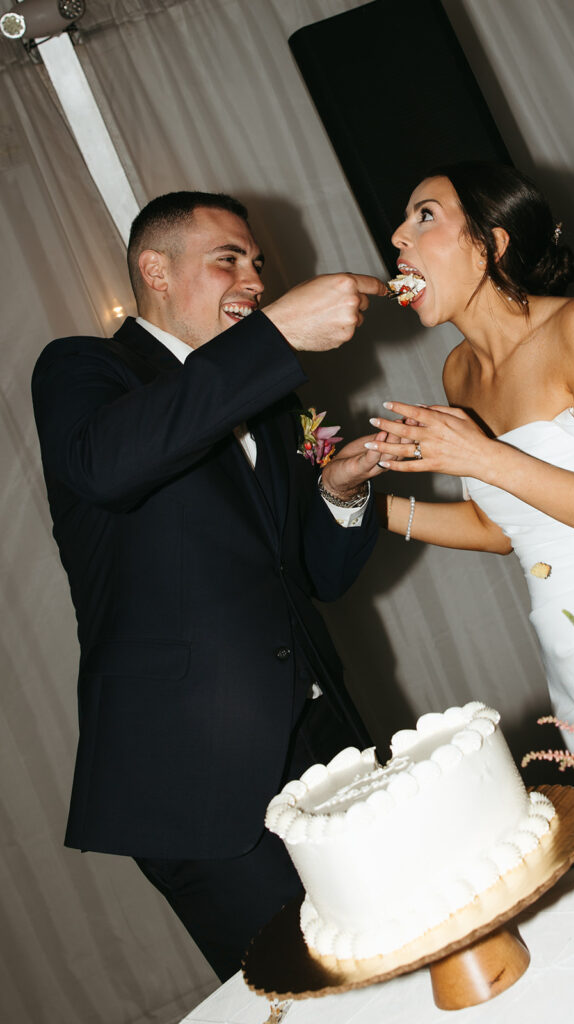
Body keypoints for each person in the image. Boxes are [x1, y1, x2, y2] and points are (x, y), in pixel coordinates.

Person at [31, 191, 389, 980]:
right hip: (197, 782)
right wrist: (276, 336)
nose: (254, 278)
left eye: (257, 263)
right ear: (154, 271)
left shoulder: (267, 403)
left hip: (323, 748)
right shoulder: (87, 370)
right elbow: (106, 466)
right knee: (310, 995)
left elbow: (316, 578)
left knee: (399, 955)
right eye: (228, 259)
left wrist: (340, 492)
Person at [367, 162, 574, 745]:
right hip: (568, 648)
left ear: (491, 244)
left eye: (426, 216)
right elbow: (502, 526)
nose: (397, 237)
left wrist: (481, 456)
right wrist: (367, 507)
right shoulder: (457, 372)